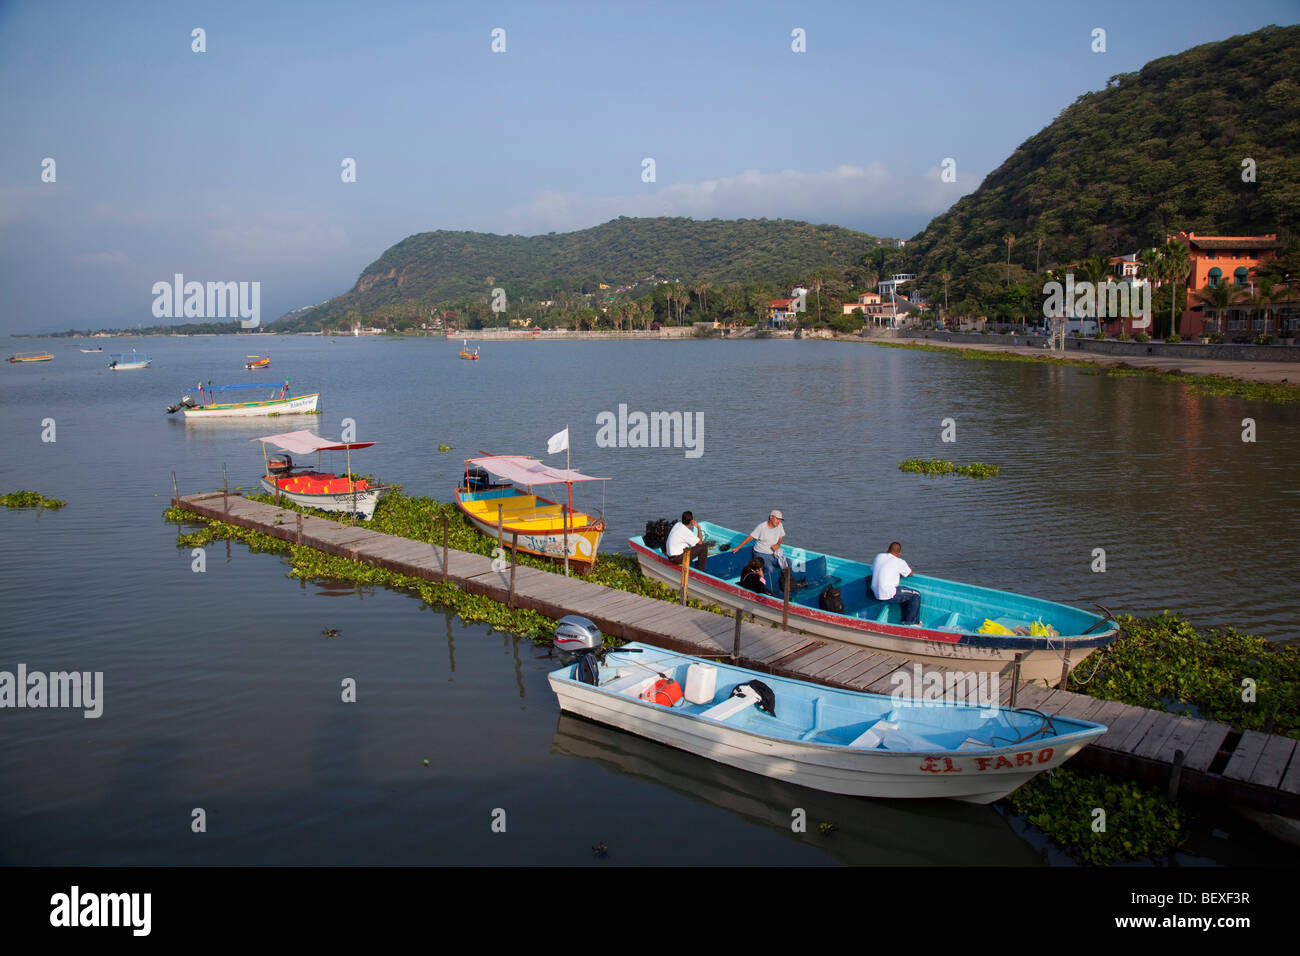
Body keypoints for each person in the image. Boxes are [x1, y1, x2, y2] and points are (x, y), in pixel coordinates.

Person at [735, 509, 786, 595]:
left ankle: (786, 586)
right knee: (770, 569)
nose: (779, 521)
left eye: (780, 519)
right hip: (761, 553)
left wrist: (777, 544)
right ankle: (769, 590)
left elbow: (781, 537)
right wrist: (738, 547)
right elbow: (750, 537)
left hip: (774, 553)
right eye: (777, 519)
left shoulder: (779, 525)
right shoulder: (761, 527)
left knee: (788, 564)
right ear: (771, 517)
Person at [870, 541, 921, 625]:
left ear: (887, 550)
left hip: (874, 592)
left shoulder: (878, 556)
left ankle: (905, 620)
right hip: (888, 594)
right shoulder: (899, 561)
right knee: (916, 594)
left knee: (904, 593)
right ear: (899, 553)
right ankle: (912, 623)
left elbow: (873, 569)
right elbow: (910, 573)